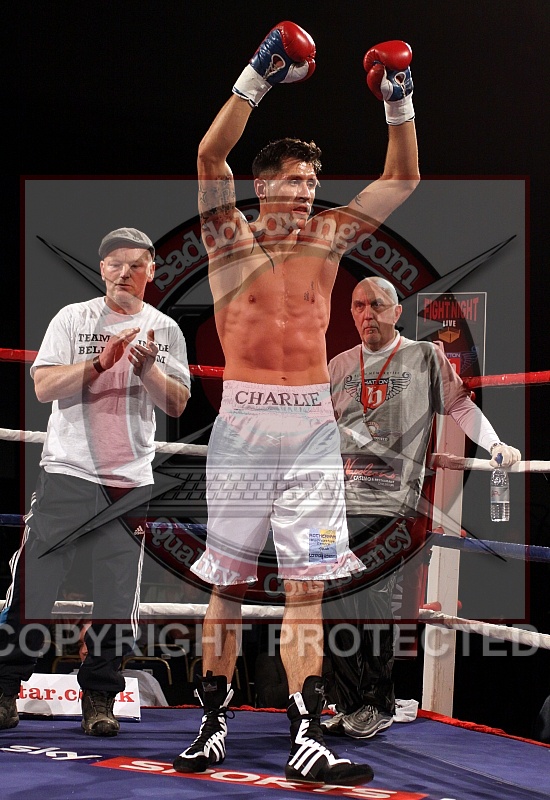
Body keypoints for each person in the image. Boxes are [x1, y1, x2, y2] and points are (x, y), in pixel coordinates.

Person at [172, 22, 419, 786]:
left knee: (307, 586)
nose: (309, 190)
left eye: (314, 181)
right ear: (263, 185)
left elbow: (403, 178)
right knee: (228, 584)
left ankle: (308, 732)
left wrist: (399, 100)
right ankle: (212, 721)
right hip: (243, 423)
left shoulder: (328, 240)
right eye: (296, 180)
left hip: (313, 426)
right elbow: (209, 156)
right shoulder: (227, 239)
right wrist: (259, 75)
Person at [0, 227, 190, 736]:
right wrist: (99, 363)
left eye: (136, 264)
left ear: (152, 271)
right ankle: (4, 687)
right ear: (102, 268)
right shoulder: (73, 317)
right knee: (35, 586)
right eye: (115, 263)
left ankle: (101, 698)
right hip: (67, 472)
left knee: (115, 598)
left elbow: (177, 403)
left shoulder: (166, 329)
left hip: (128, 483)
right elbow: (43, 386)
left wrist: (147, 370)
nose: (125, 272)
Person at [322, 275, 522, 739]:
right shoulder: (338, 364)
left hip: (390, 505)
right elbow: (320, 429)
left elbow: (461, 406)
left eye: (377, 305)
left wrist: (495, 444)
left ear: (396, 312)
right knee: (334, 601)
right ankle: (347, 703)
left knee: (374, 602)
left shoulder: (425, 356)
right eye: (358, 306)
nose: (367, 314)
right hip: (334, 506)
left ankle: (378, 703)